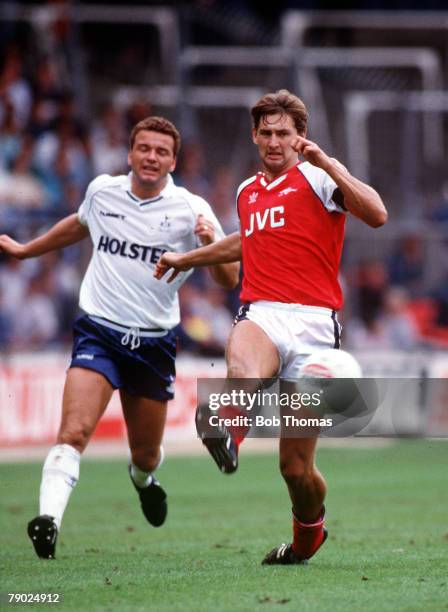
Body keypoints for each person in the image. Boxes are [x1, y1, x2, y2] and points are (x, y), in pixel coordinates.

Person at [155, 90, 387, 565]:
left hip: (316, 327)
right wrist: (188, 257)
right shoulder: (247, 192)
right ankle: (227, 430)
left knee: (295, 469)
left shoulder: (319, 178)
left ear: (300, 136)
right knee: (245, 361)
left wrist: (329, 162)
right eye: (267, 132)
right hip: (262, 310)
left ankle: (307, 540)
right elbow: (247, 241)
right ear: (254, 135)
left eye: (285, 133)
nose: (275, 141)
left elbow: (377, 214)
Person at [0, 115, 239, 559]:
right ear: (130, 153)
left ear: (173, 161)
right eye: (144, 148)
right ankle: (48, 520)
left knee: (146, 454)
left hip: (153, 344)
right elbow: (78, 224)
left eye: (161, 151)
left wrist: (208, 243)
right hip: (99, 331)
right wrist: (25, 249)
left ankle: (144, 481)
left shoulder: (192, 210)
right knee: (73, 432)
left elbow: (229, 278)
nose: (151, 157)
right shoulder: (102, 191)